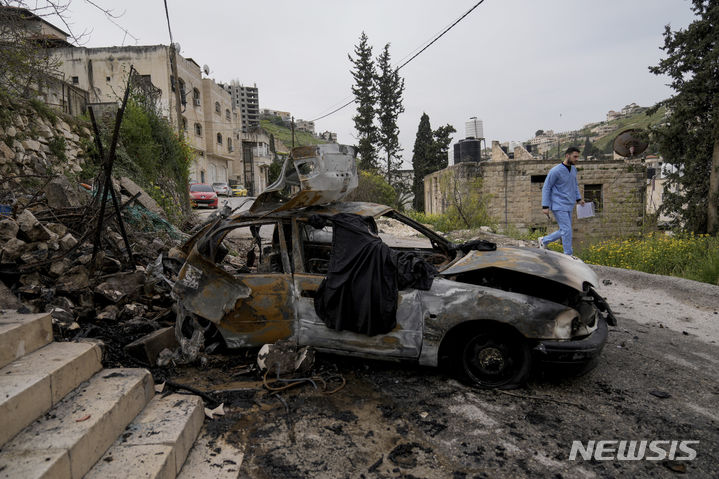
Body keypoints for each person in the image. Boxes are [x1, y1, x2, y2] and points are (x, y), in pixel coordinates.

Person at [538, 146, 585, 255]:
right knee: (567, 230)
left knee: (565, 230)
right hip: (558, 205)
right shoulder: (555, 170)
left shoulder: (574, 169)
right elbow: (547, 187)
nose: (577, 159)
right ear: (567, 155)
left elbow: (575, 185)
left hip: (569, 204)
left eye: (578, 157)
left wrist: (578, 199)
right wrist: (545, 206)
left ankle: (544, 240)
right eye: (575, 156)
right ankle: (568, 254)